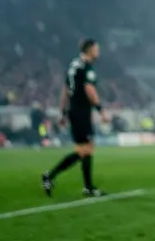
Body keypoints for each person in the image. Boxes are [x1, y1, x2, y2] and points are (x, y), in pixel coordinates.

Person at [42, 38, 109, 197]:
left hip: (74, 110)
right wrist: (101, 110)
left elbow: (65, 90)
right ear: (89, 50)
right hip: (81, 112)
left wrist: (63, 112)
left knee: (87, 148)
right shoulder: (86, 68)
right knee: (84, 150)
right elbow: (89, 89)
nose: (98, 52)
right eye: (96, 49)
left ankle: (88, 187)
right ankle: (50, 176)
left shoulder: (73, 65)